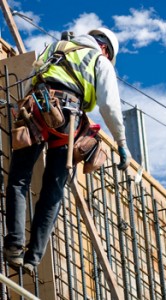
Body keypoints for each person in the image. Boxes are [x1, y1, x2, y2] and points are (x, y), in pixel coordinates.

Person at [3, 27, 131, 275]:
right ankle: (33, 258)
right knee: (53, 191)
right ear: (105, 48)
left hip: (38, 109)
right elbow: (109, 106)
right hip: (68, 123)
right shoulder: (99, 60)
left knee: (19, 179)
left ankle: (14, 246)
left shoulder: (55, 48)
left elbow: (30, 80)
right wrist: (121, 143)